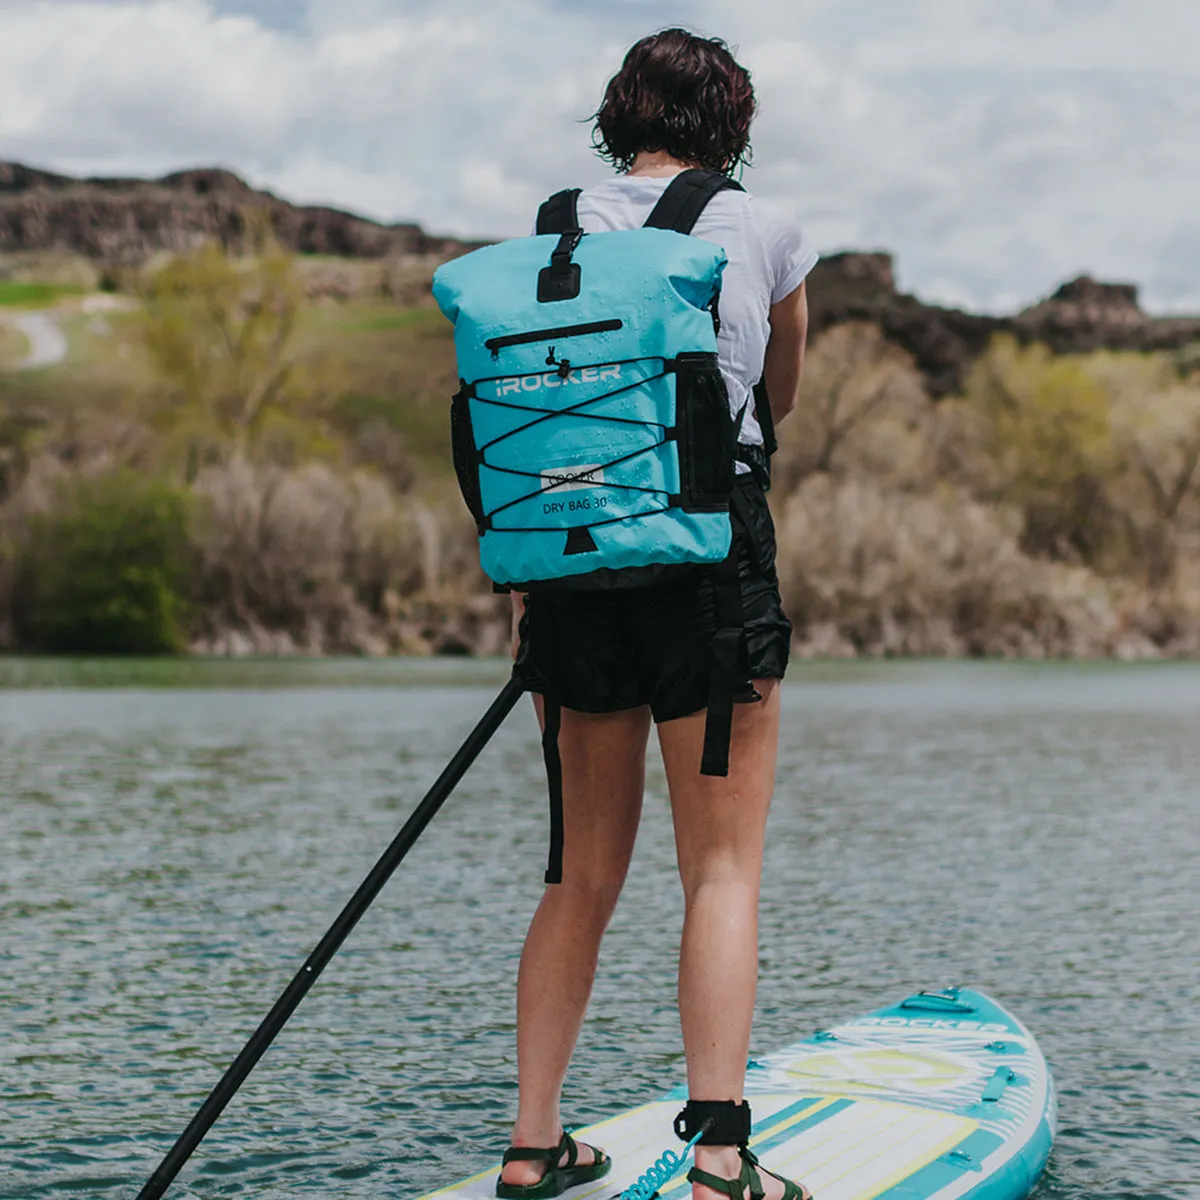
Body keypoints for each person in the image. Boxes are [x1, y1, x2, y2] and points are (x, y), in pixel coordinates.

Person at [497, 28, 817, 1200]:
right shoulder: (765, 229)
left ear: (616, 115)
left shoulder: (556, 223)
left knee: (577, 874)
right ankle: (722, 1158)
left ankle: (534, 1146)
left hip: (572, 563)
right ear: (728, 124)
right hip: (707, 561)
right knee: (721, 873)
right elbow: (777, 401)